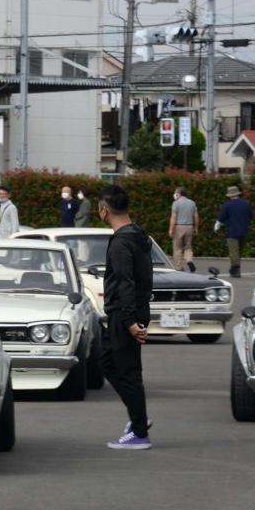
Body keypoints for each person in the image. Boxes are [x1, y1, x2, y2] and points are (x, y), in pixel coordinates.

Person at [99, 186, 152, 450]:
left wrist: (131, 321)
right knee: (107, 363)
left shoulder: (121, 242)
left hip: (124, 314)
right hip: (128, 312)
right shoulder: (138, 234)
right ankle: (138, 414)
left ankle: (140, 433)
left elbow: (125, 281)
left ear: (104, 209)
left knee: (128, 372)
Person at [215, 184, 253, 277]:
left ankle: (235, 270)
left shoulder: (227, 205)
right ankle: (234, 269)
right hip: (243, 231)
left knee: (233, 252)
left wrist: (216, 228)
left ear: (230, 195)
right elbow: (251, 216)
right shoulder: (246, 204)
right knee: (239, 251)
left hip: (231, 232)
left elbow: (220, 219)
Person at [169, 186, 198, 272]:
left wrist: (171, 229)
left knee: (177, 248)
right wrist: (196, 228)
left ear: (179, 194)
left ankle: (179, 267)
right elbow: (196, 216)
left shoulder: (176, 203)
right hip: (189, 226)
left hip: (178, 227)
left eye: (176, 193)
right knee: (188, 247)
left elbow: (173, 217)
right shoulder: (192, 203)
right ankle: (189, 260)